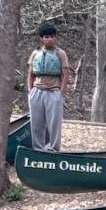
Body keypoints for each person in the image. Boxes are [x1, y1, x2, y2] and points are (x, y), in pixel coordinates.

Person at [27, 23, 70, 152]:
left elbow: (66, 75)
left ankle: (53, 148)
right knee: (36, 122)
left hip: (53, 92)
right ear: (41, 38)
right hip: (37, 91)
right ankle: (38, 148)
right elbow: (30, 74)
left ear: (55, 37)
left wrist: (60, 93)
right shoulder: (35, 54)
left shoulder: (60, 54)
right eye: (46, 37)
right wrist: (30, 92)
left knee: (54, 123)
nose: (49, 39)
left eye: (52, 36)